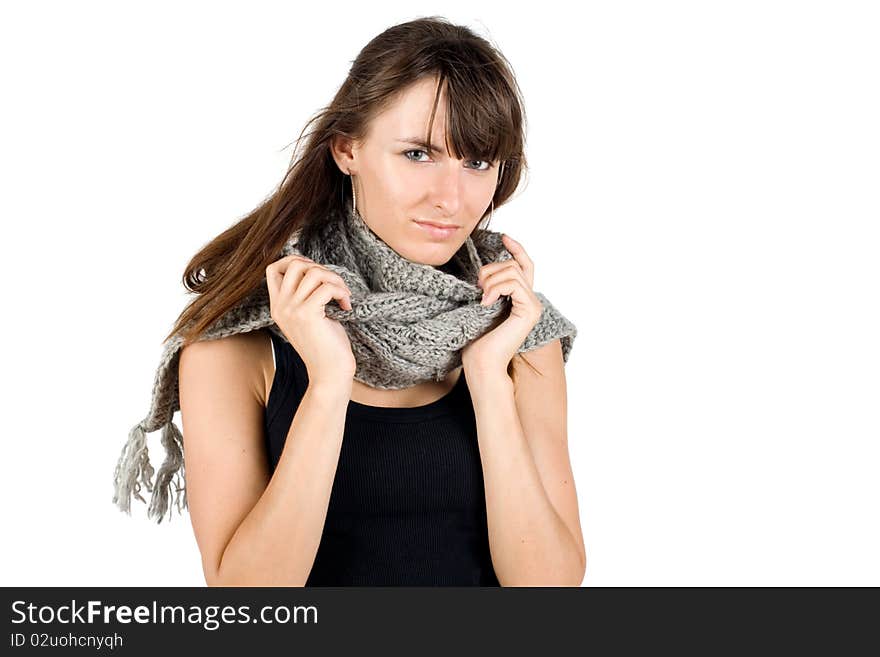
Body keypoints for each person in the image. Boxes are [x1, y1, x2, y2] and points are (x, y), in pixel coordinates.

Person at [170, 16, 585, 586]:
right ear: (347, 149)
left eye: (478, 162)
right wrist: (329, 382)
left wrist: (489, 378)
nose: (450, 198)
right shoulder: (237, 345)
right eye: (418, 154)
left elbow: (547, 588)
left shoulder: (520, 334)